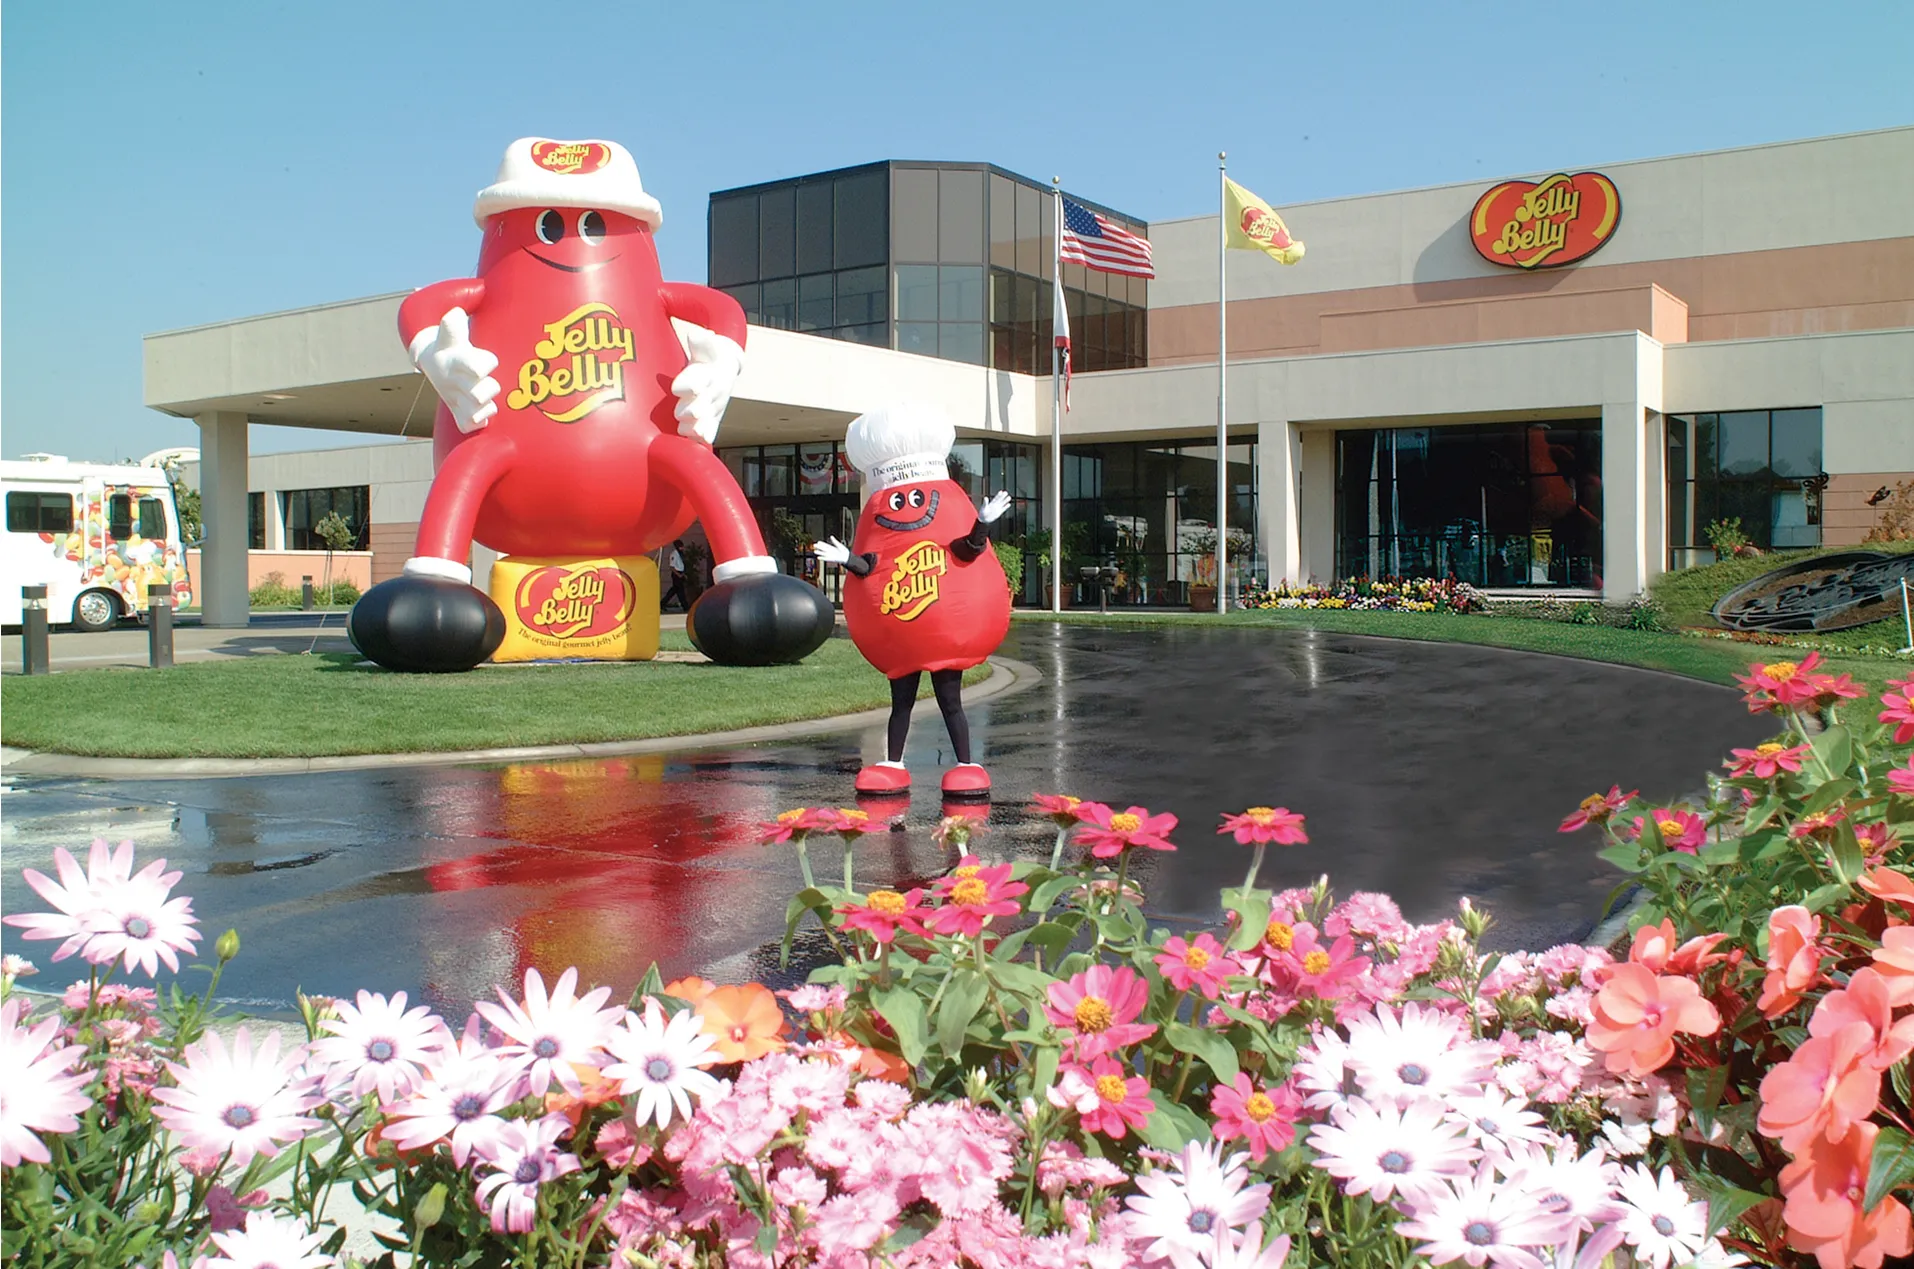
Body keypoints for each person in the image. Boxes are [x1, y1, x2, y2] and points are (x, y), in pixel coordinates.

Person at [661, 540, 688, 612]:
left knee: (673, 591)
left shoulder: (680, 554)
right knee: (680, 592)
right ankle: (685, 606)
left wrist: (683, 574)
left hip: (680, 573)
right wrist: (679, 575)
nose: (682, 548)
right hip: (677, 575)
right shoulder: (674, 554)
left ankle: (662, 604)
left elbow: (681, 565)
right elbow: (672, 567)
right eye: (681, 546)